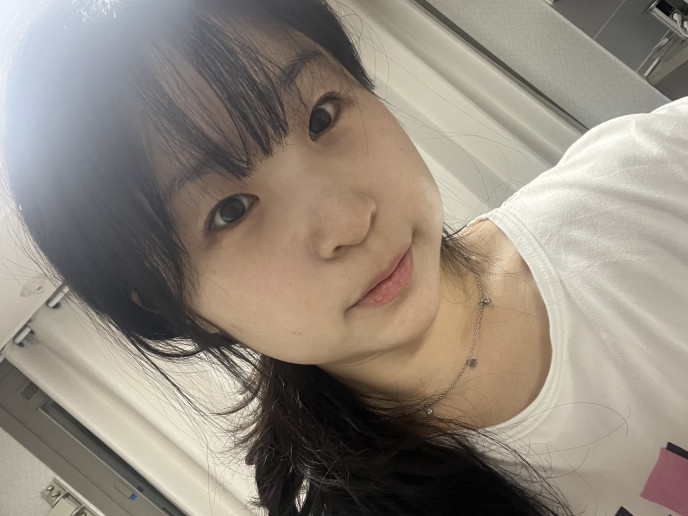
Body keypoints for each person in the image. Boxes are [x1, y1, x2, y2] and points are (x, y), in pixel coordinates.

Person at [2, 0, 686, 515]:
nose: (349, 222)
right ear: (171, 303)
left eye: (323, 115)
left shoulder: (652, 177)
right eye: (230, 210)